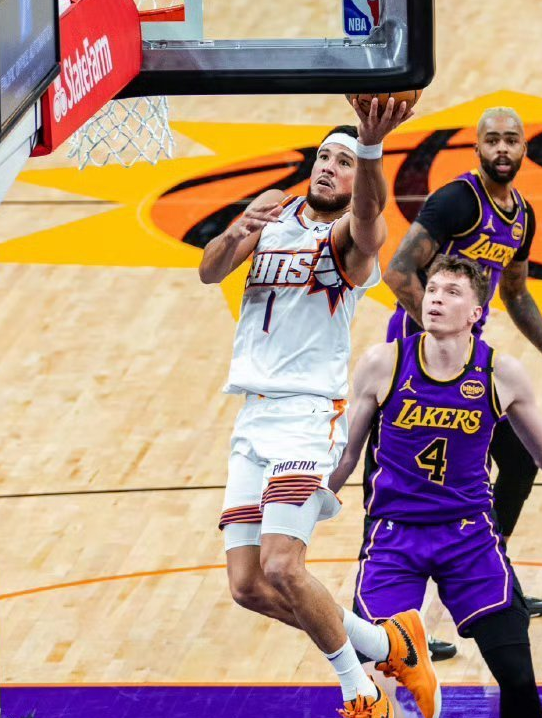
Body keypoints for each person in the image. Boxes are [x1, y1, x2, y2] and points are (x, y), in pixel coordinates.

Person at [200, 98, 440, 718]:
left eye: (343, 161)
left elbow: (370, 221)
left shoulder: (351, 244)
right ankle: (390, 645)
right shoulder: (275, 215)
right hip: (252, 416)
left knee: (284, 565)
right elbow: (209, 271)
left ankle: (362, 692)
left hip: (308, 416)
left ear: (361, 179)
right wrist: (239, 229)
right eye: (324, 157)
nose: (328, 167)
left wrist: (370, 146)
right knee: (248, 586)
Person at [333, 255, 542, 718]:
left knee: (517, 674)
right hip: (394, 536)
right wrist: (296, 512)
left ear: (475, 313)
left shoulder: (500, 373)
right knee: (373, 681)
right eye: (432, 290)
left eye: (452, 292)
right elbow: (346, 455)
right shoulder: (384, 363)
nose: (436, 299)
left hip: (469, 536)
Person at [372, 107, 542, 646]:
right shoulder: (458, 201)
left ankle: (496, 571)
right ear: (477, 148)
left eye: (512, 140)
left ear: (525, 149)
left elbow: (516, 292)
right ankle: (396, 626)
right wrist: (440, 333)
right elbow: (397, 271)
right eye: (492, 140)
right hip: (416, 362)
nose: (502, 149)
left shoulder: (522, 217)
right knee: (407, 492)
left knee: (519, 459)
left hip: (467, 361)